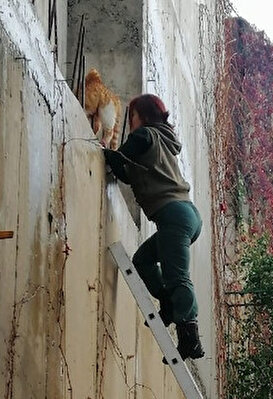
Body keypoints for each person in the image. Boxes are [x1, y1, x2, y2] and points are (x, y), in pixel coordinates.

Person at [103, 93, 204, 361]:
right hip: (184, 215)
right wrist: (114, 159)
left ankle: (190, 337)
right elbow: (127, 172)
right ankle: (169, 305)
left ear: (143, 116)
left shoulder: (144, 135)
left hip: (173, 216)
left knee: (177, 276)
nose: (130, 122)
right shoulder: (160, 140)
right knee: (143, 261)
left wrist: (105, 150)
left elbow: (119, 158)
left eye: (132, 116)